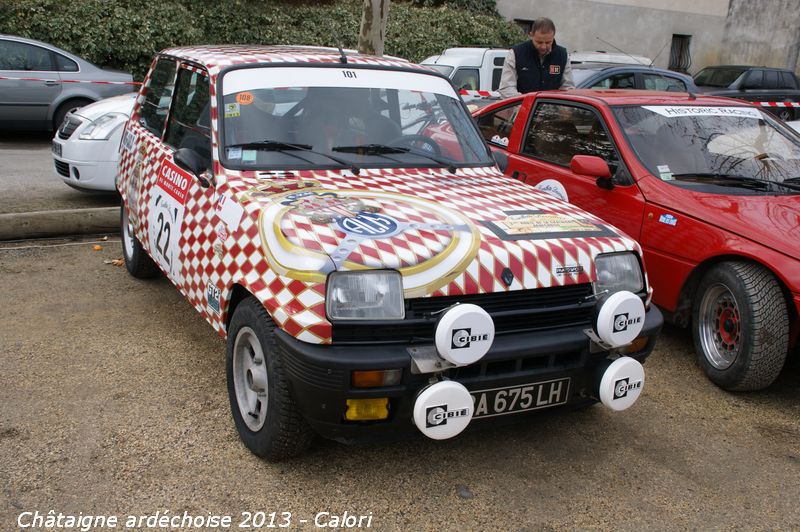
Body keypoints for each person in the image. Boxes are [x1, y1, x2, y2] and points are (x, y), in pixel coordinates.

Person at [498, 17, 575, 98]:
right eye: (539, 42)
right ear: (531, 35)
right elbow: (506, 88)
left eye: (548, 42)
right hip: (521, 108)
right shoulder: (515, 53)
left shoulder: (562, 55)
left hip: (552, 109)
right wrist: (526, 104)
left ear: (553, 36)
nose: (543, 47)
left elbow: (568, 88)